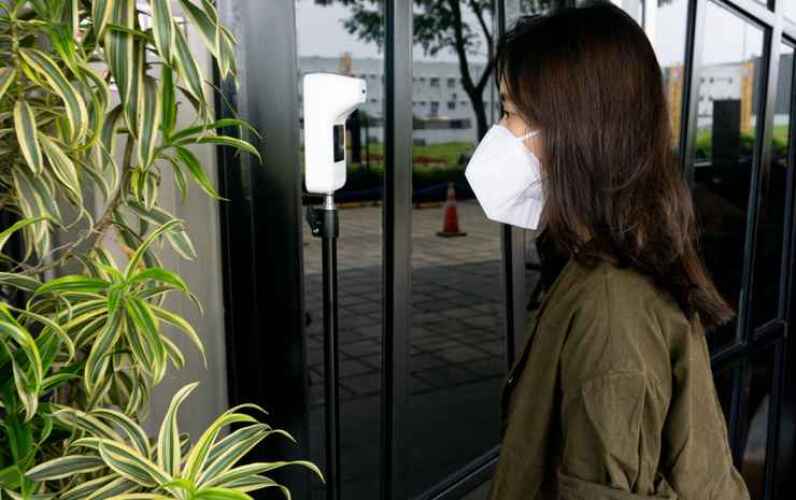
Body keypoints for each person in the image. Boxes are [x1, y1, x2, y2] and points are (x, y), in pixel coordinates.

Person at [464, 2, 752, 499]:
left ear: (576, 131)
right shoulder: (605, 264)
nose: (499, 134)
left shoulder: (610, 309)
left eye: (510, 113)